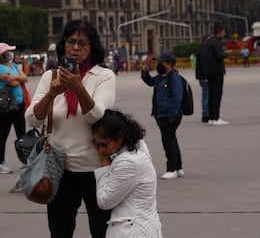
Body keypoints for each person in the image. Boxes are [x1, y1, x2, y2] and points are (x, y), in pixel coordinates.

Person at [25, 19, 116, 238]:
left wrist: (77, 86)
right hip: (60, 168)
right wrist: (51, 94)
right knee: (60, 230)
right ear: (63, 44)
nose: (75, 48)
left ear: (92, 47)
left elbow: (97, 117)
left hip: (96, 169)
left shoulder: (103, 76)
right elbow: (32, 119)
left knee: (101, 230)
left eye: (82, 43)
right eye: (71, 41)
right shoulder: (50, 77)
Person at [92, 109, 162, 238]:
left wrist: (104, 165)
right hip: (142, 226)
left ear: (120, 136)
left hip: (133, 231)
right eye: (96, 145)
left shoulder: (128, 162)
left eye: (103, 145)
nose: (100, 150)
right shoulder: (139, 146)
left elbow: (104, 201)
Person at [141, 52, 184, 180]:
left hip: (169, 115)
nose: (158, 65)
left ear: (169, 64)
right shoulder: (161, 77)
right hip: (161, 114)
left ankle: (171, 169)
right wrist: (145, 72)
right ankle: (178, 167)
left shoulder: (174, 78)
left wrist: (172, 115)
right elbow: (150, 82)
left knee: (168, 141)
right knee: (172, 140)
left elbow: (177, 98)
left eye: (161, 63)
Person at [0, 42, 28, 174]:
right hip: (7, 105)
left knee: (21, 134)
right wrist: (18, 77)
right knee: (4, 133)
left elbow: (25, 78)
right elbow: (13, 83)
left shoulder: (13, 65)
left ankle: (25, 161)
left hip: (19, 103)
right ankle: (1, 163)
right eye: (8, 51)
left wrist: (16, 76)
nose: (11, 53)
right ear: (3, 54)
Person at [198, 24, 229, 126]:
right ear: (219, 32)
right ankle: (216, 117)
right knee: (217, 95)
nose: (224, 34)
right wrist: (226, 53)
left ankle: (211, 117)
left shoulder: (208, 42)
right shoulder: (216, 43)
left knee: (211, 95)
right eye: (223, 31)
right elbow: (219, 55)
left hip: (209, 72)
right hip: (216, 72)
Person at [196, 34, 211, 122]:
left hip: (204, 76)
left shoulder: (204, 50)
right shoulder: (203, 51)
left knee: (207, 95)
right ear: (204, 41)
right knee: (206, 95)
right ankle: (205, 114)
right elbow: (203, 65)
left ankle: (208, 112)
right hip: (204, 76)